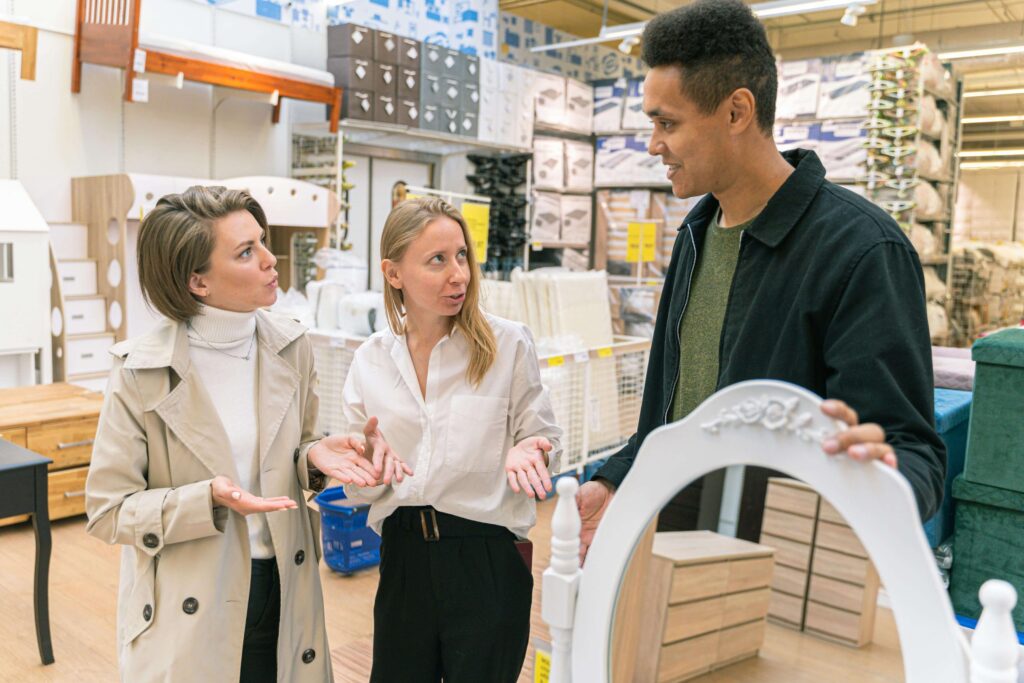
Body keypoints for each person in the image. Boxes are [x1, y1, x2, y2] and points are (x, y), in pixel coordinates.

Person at [577, 0, 946, 561]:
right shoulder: (696, 235)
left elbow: (911, 451)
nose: (653, 145)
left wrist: (883, 482)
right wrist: (616, 476)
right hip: (669, 548)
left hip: (783, 570)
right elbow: (673, 416)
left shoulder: (861, 249)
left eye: (666, 123)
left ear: (736, 111)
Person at [85, 186, 370, 682]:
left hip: (284, 582)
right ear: (197, 280)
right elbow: (109, 509)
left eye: (262, 242)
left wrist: (314, 456)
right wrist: (208, 500)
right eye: (246, 251)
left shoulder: (292, 347)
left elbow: (291, 449)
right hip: (191, 600)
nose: (270, 259)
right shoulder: (141, 371)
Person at [337, 197, 561, 683]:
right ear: (393, 273)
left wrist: (533, 447)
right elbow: (357, 487)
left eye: (461, 255)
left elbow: (543, 437)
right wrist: (368, 470)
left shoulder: (507, 344)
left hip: (486, 557)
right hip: (402, 559)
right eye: (437, 260)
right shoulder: (370, 361)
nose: (458, 273)